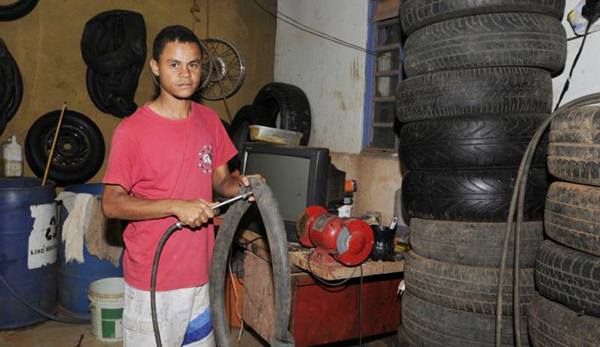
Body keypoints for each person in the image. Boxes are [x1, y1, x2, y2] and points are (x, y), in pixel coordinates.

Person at [102, 25, 249, 347]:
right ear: (155, 68)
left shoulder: (209, 120)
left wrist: (243, 185)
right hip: (155, 282)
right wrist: (174, 205)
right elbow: (111, 203)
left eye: (193, 64)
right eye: (174, 64)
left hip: (202, 276)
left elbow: (222, 181)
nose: (185, 74)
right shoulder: (133, 131)